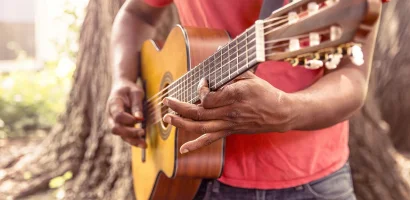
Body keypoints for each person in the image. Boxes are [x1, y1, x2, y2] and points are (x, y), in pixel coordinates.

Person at [107, 0, 380, 199]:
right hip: (192, 175)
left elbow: (352, 79)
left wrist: (287, 111)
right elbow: (137, 14)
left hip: (313, 181)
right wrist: (122, 79)